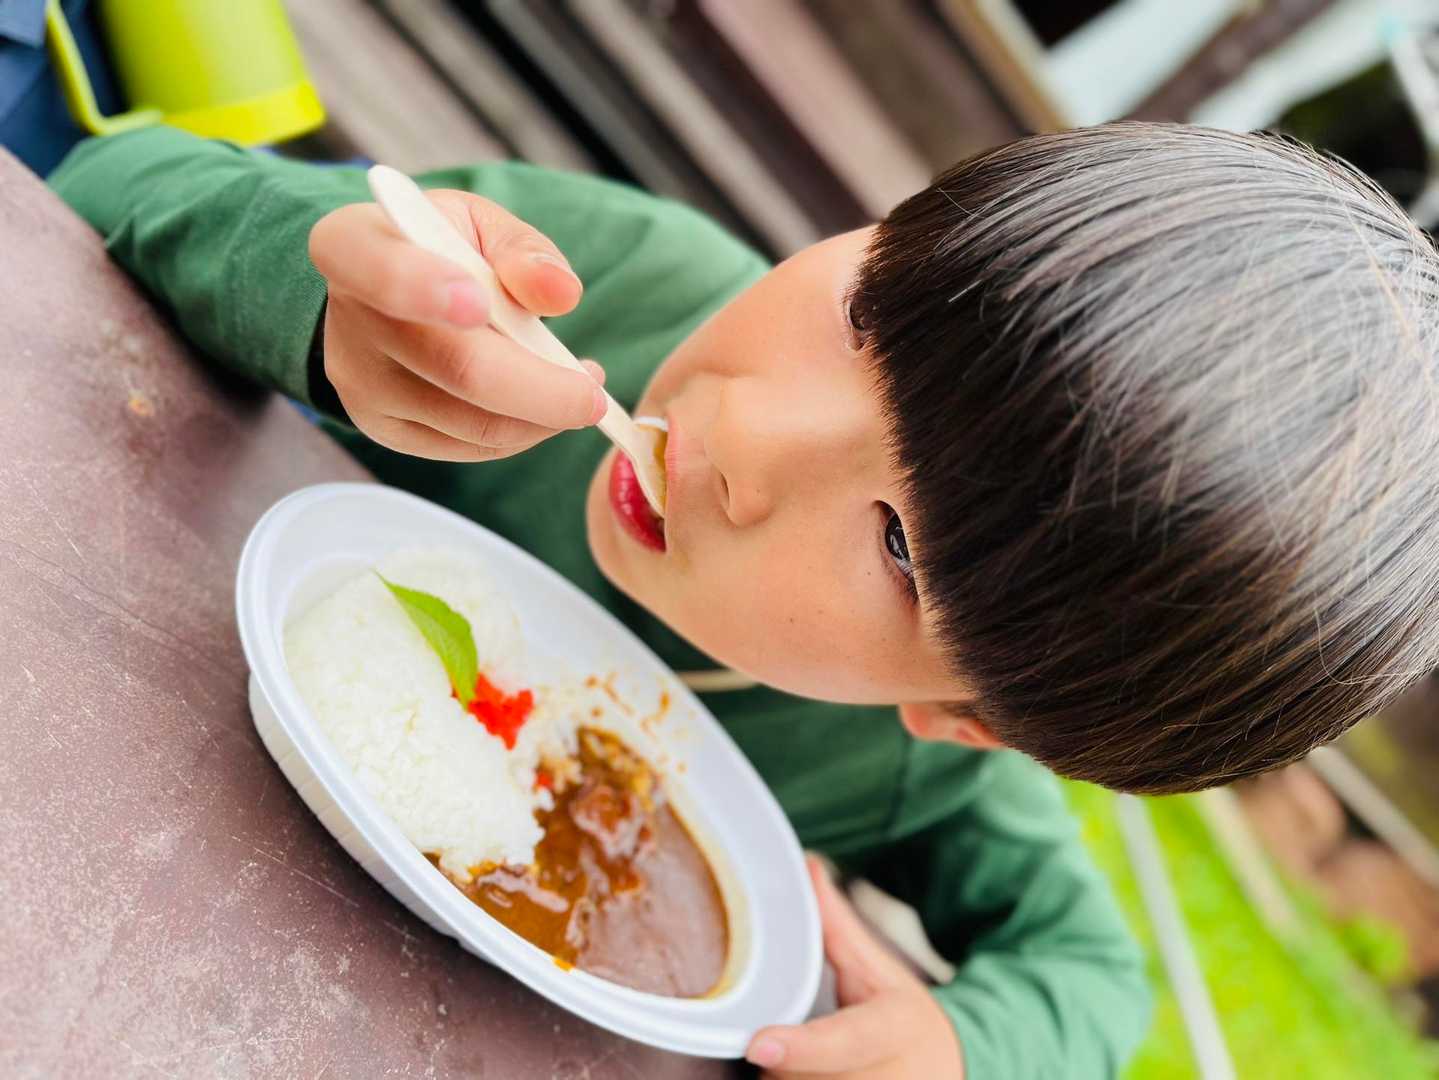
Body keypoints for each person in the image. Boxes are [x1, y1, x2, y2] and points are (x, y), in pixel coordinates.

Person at [48, 120, 1439, 1078]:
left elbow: (1094, 972)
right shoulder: (613, 277)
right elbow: (110, 182)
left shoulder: (904, 775)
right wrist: (316, 299)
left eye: (899, 546)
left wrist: (963, 1047)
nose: (745, 437)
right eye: (866, 318)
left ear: (962, 715)